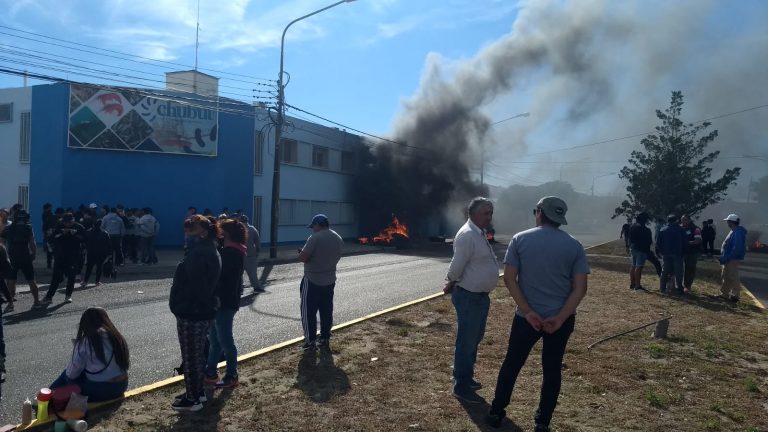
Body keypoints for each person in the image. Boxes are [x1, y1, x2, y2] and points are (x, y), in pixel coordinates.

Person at [487, 196, 589, 431]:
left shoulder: (520, 239)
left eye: (536, 211)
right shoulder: (574, 246)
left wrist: (528, 312)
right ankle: (543, 422)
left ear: (540, 213)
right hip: (560, 321)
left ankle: (496, 412)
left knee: (512, 364)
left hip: (526, 319)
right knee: (552, 370)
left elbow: (510, 279)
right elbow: (580, 288)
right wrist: (561, 318)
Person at [444, 197, 499, 404]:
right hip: (469, 297)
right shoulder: (467, 235)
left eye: (491, 212)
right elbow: (456, 266)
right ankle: (461, 385)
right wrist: (450, 281)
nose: (490, 217)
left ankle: (466, 377)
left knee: (474, 339)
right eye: (486, 213)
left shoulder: (478, 233)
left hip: (479, 297)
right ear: (473, 214)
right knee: (466, 341)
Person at [169, 215, 221, 412]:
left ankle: (193, 399)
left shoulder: (199, 253)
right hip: (201, 311)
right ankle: (197, 392)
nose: (186, 235)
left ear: (204, 233)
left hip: (192, 313)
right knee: (197, 355)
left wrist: (187, 305)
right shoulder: (209, 249)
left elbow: (198, 286)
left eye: (190, 231)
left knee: (191, 357)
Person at [49, 307, 130, 402]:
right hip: (121, 386)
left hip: (100, 390)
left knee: (66, 375)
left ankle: (47, 396)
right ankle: (51, 394)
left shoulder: (85, 342)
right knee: (80, 373)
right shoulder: (117, 337)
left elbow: (71, 375)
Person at [204, 219, 246, 388]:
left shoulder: (231, 253)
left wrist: (218, 299)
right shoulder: (232, 251)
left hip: (224, 303)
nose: (218, 234)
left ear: (226, 234)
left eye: (220, 231)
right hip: (222, 302)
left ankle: (231, 375)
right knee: (214, 339)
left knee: (225, 340)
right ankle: (211, 372)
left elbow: (227, 281)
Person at [297, 214, 344, 351]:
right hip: (330, 279)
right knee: (326, 310)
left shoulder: (315, 238)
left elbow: (303, 258)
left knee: (308, 312)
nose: (312, 229)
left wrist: (301, 253)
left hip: (312, 279)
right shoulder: (337, 237)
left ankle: (310, 341)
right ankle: (325, 338)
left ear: (318, 225)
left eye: (313, 226)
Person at [0, 210, 42, 310]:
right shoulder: (28, 227)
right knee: (31, 280)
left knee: (11, 281)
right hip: (25, 257)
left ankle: (11, 304)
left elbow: (2, 244)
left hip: (12, 257)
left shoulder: (8, 228)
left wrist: (4, 258)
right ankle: (36, 301)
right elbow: (32, 243)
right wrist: (34, 254)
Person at [43, 213, 85, 304]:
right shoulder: (59, 226)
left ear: (73, 220)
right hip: (60, 256)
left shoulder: (79, 227)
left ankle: (68, 296)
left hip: (73, 256)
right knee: (56, 277)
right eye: (66, 223)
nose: (68, 224)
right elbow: (52, 238)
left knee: (71, 277)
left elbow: (85, 239)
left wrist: (75, 234)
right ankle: (49, 297)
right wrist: (62, 233)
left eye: (70, 222)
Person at [719, 214, 747, 303]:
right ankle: (725, 294)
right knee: (726, 276)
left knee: (733, 276)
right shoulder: (733, 231)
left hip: (732, 258)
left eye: (728, 221)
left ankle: (735, 296)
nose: (727, 222)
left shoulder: (738, 232)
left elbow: (737, 247)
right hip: (728, 258)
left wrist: (728, 257)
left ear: (731, 222)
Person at [656, 214, 687, 294]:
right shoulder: (681, 229)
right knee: (678, 272)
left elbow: (658, 243)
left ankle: (662, 288)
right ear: (676, 220)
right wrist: (684, 253)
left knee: (664, 271)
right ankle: (679, 288)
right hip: (678, 254)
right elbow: (685, 243)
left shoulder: (662, 230)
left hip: (666, 254)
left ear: (667, 220)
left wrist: (661, 252)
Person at [82, 219, 112, 288]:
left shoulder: (88, 232)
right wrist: (109, 254)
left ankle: (85, 281)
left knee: (89, 267)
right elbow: (109, 244)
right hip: (101, 253)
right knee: (99, 267)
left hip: (91, 252)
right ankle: (97, 281)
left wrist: (86, 248)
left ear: (93, 224)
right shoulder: (105, 233)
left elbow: (85, 241)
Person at [628, 212, 653, 290]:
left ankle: (632, 283)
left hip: (633, 248)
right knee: (639, 267)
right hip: (641, 250)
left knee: (633, 266)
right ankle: (638, 285)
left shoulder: (632, 226)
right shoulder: (645, 229)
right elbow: (649, 241)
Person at [240, 215, 263, 292]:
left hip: (240, 254)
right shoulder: (253, 229)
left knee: (239, 274)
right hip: (250, 254)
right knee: (252, 273)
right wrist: (257, 251)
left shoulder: (238, 229)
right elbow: (257, 241)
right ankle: (257, 287)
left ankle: (240, 288)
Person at [680, 214, 702, 294]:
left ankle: (688, 286)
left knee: (690, 269)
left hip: (692, 253)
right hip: (682, 252)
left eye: (685, 219)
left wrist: (686, 243)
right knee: (681, 269)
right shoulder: (680, 228)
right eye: (682, 220)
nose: (683, 221)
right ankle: (679, 285)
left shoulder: (696, 229)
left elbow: (697, 241)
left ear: (689, 220)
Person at [42, 203, 58, 269]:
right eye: (50, 207)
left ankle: (49, 264)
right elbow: (49, 222)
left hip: (48, 231)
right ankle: (51, 263)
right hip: (50, 231)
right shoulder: (48, 214)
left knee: (49, 249)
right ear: (48, 207)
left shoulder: (45, 214)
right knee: (52, 248)